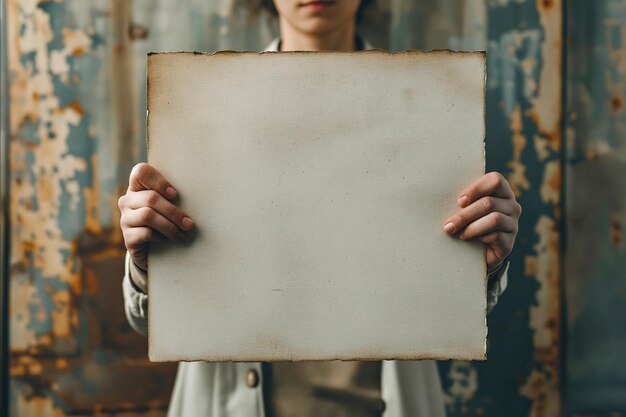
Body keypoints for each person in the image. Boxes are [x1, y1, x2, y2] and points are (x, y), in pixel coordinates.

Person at [119, 0, 521, 416]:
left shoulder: (430, 103)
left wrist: (481, 264)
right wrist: (147, 266)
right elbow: (152, 322)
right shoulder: (199, 102)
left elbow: (441, 308)